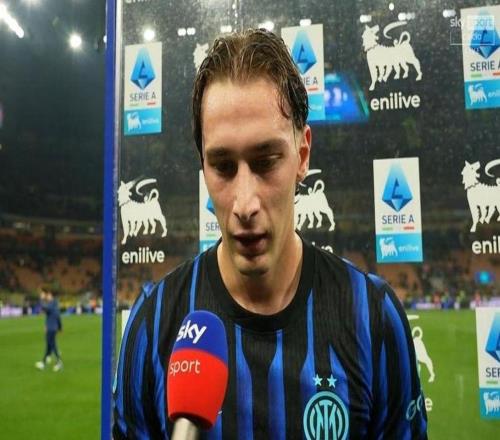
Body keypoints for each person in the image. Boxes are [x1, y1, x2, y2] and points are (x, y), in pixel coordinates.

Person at [113, 29, 427, 439]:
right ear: (202, 167)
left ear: (302, 155)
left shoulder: (372, 316)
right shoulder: (154, 322)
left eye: (265, 162)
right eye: (223, 166)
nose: (244, 203)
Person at [35, 285, 63, 372]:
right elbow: (57, 317)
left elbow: (45, 308)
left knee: (52, 345)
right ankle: (43, 362)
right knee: (49, 346)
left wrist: (41, 299)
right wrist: (60, 327)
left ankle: (59, 362)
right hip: (52, 327)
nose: (47, 297)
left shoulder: (52, 304)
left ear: (51, 295)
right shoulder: (55, 304)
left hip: (51, 328)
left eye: (48, 295)